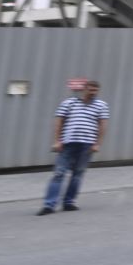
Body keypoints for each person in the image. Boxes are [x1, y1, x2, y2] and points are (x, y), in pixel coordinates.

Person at [40, 80, 109, 215]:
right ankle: (49, 205)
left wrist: (97, 144)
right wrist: (57, 141)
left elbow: (102, 126)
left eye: (95, 91)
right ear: (84, 89)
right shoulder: (69, 103)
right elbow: (59, 121)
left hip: (87, 144)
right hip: (68, 143)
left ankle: (69, 202)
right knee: (59, 174)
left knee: (78, 174)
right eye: (90, 90)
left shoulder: (102, 105)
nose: (93, 93)